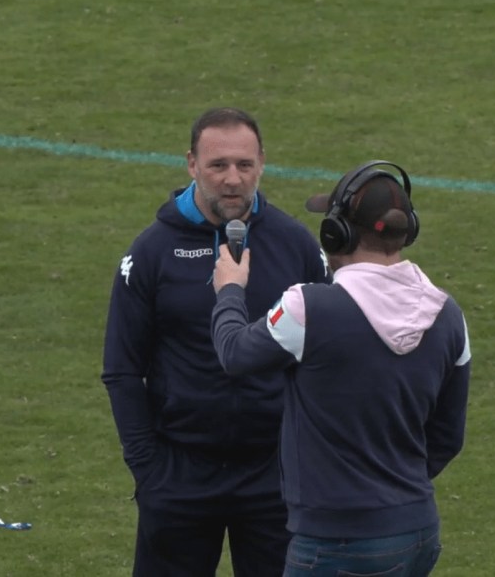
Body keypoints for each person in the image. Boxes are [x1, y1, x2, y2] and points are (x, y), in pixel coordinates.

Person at [211, 160, 472, 577]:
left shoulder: (309, 307)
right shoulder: (449, 315)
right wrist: (392, 493)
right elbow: (447, 436)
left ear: (337, 233)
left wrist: (229, 289)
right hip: (417, 529)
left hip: (335, 541)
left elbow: (235, 353)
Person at [102, 107, 331, 577]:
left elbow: (328, 359)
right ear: (191, 164)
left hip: (275, 475)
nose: (232, 179)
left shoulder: (296, 246)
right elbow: (122, 369)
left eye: (244, 165)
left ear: (262, 163)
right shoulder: (150, 253)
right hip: (179, 474)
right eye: (217, 165)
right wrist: (148, 469)